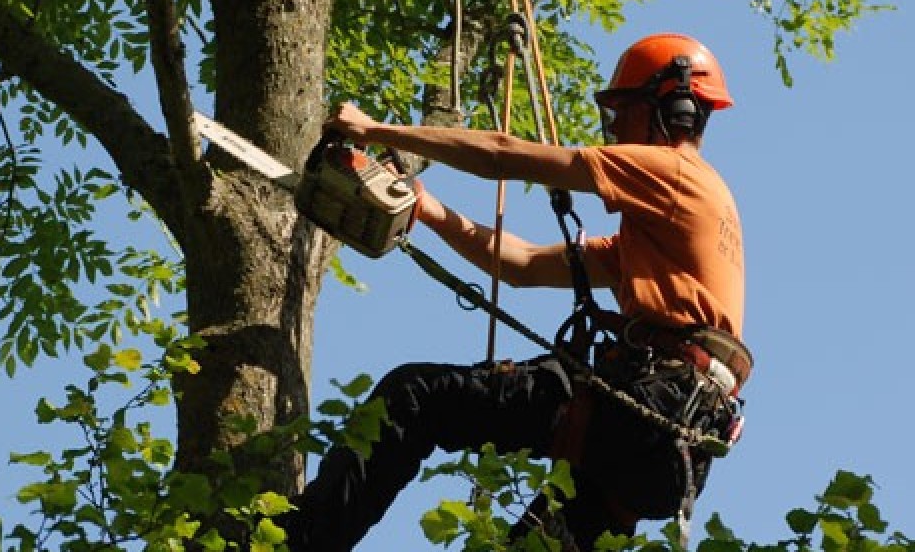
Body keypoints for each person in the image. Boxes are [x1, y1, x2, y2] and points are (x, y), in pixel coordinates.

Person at [286, 33, 753, 551]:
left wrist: (374, 129)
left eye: (624, 109)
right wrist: (430, 210)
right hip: (660, 445)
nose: (615, 126)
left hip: (643, 411)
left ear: (672, 106)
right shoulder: (661, 230)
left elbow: (503, 155)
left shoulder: (673, 173)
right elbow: (524, 264)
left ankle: (302, 543)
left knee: (414, 398)